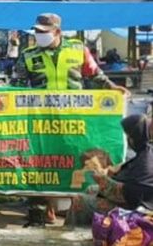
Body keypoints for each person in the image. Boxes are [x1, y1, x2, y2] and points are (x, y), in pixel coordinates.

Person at [11, 13, 129, 225]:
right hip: (42, 122)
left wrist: (111, 88)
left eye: (43, 32)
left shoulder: (78, 50)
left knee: (75, 161)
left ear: (57, 31)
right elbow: (16, 86)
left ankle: (76, 205)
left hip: (75, 121)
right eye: (37, 31)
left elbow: (95, 74)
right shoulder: (28, 55)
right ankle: (41, 209)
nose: (39, 35)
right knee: (41, 162)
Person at [69, 114, 153, 225]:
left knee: (79, 201)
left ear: (134, 138)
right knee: (90, 189)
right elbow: (127, 170)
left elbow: (124, 195)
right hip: (133, 200)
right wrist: (114, 170)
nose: (128, 140)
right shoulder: (145, 152)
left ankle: (70, 232)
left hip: (135, 209)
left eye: (129, 136)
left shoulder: (145, 162)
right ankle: (92, 228)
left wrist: (102, 180)